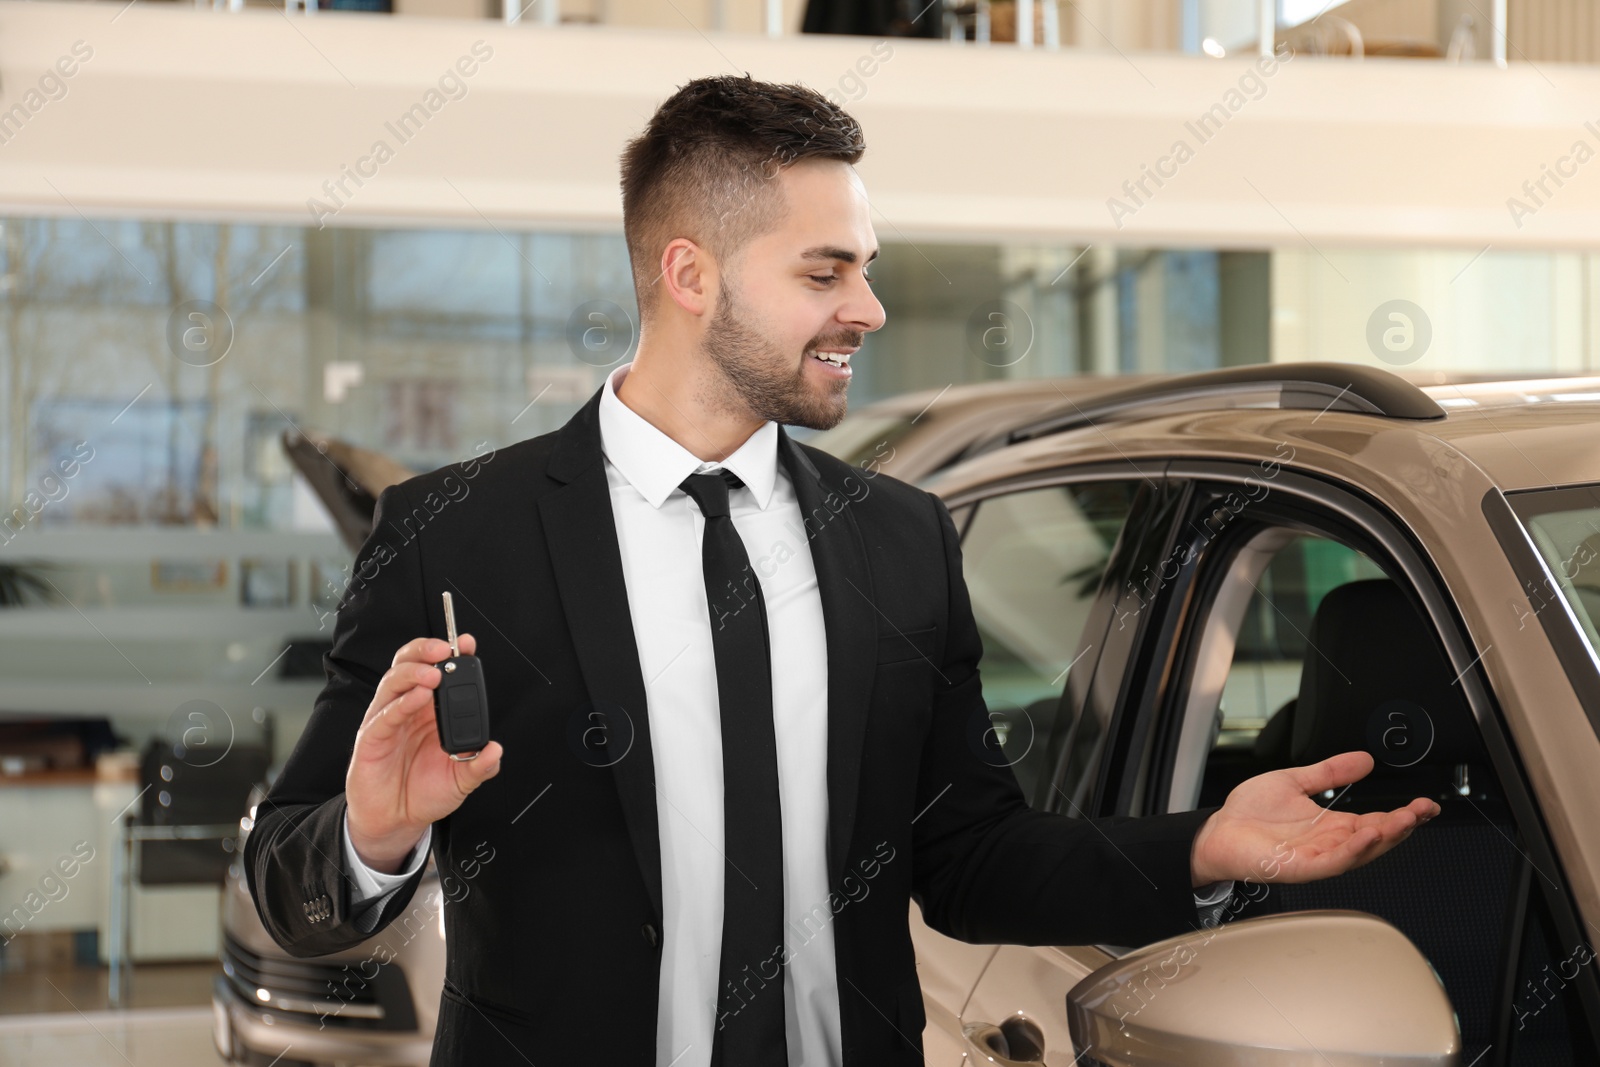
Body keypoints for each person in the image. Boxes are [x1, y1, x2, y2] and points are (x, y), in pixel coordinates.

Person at [244, 74, 1439, 1067]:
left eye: (864, 265)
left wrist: (1198, 846)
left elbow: (966, 858)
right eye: (824, 273)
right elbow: (291, 883)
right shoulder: (454, 534)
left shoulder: (900, 537)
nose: (866, 306)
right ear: (689, 274)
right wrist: (369, 833)